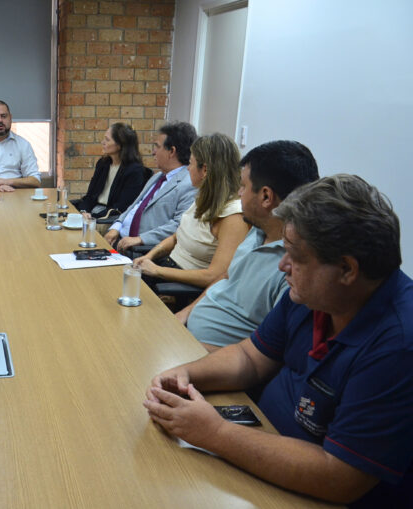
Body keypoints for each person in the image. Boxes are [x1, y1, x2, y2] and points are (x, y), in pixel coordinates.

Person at [144, 175, 412, 507]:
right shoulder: (313, 296)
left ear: (346, 269)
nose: (282, 266)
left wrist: (214, 433)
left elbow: (341, 477)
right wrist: (184, 373)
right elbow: (250, 357)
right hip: (260, 452)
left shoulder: (398, 345)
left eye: (294, 255)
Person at [177, 141, 319, 351]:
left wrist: (188, 350)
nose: (239, 193)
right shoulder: (256, 229)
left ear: (265, 197)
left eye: (243, 186)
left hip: (209, 360)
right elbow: (225, 278)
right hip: (187, 336)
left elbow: (263, 356)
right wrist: (185, 313)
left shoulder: (293, 268)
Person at [133, 133, 249, 289]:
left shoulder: (233, 217)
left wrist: (157, 270)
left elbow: (214, 276)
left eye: (190, 163)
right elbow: (179, 235)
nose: (188, 168)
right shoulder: (204, 196)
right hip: (166, 268)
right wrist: (150, 255)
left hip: (178, 284)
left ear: (205, 170)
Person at [103, 122, 198, 254]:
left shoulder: (189, 184)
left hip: (141, 250)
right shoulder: (158, 176)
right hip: (119, 241)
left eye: (157, 147)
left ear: (172, 151)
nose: (153, 152)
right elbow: (134, 206)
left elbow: (179, 226)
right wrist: (116, 226)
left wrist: (141, 239)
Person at [70, 123, 151, 218]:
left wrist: (92, 216)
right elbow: (90, 196)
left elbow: (122, 207)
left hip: (110, 217)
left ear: (120, 144)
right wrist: (84, 211)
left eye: (107, 140)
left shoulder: (134, 171)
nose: (102, 142)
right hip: (93, 211)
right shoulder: (103, 164)